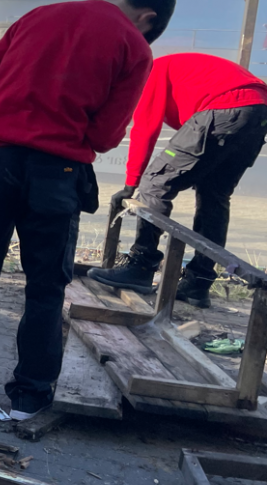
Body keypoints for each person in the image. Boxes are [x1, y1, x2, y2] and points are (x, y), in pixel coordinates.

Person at [0, 0, 176, 420]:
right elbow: (103, 135)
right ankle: (29, 394)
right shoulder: (135, 48)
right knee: (45, 288)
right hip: (57, 175)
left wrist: (9, 111)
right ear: (148, 19)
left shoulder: (40, 15)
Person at [88, 53, 267, 307]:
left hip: (224, 107)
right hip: (258, 110)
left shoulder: (150, 73)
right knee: (214, 195)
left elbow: (145, 130)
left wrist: (131, 184)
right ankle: (198, 282)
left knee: (155, 183)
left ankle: (141, 266)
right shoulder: (179, 71)